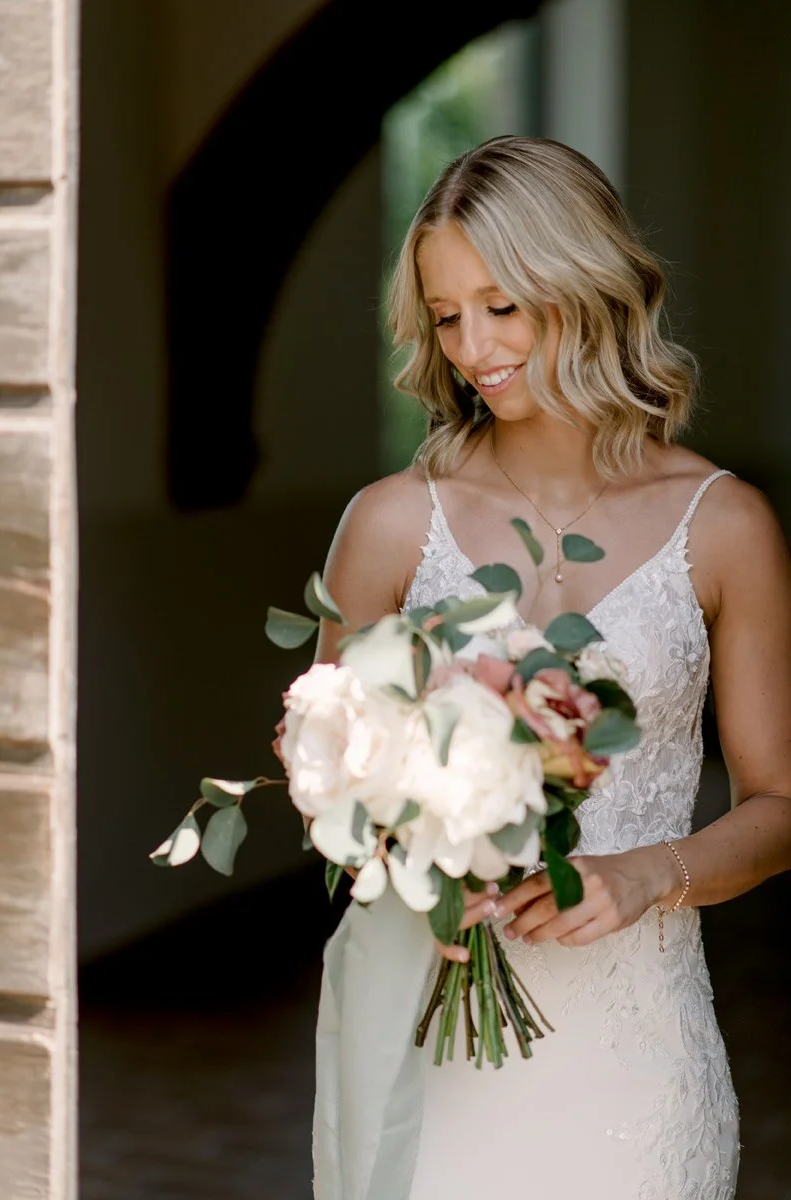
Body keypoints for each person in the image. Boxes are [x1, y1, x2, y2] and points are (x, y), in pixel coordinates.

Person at [313, 135, 791, 1199]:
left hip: (639, 1056)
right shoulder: (390, 525)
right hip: (435, 1039)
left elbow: (779, 806)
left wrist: (646, 875)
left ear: (586, 288)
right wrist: (418, 858)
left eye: (502, 305)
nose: (473, 348)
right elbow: (333, 785)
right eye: (446, 316)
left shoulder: (725, 527)